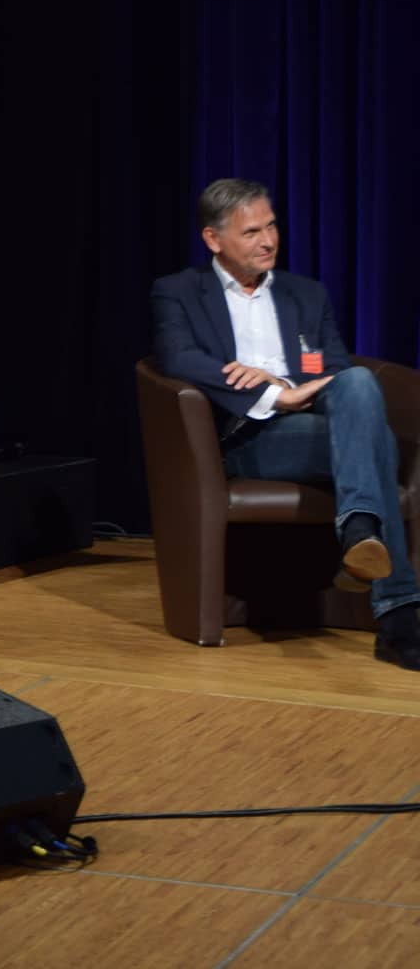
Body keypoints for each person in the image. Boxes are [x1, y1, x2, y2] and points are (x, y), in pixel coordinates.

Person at [151, 177, 420, 669]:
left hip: (312, 425)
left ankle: (361, 529)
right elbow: (178, 358)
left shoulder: (305, 294)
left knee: (358, 383)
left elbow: (332, 368)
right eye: (252, 231)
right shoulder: (179, 292)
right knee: (375, 440)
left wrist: (291, 384)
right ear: (214, 239)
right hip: (244, 437)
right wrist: (271, 391)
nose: (269, 240)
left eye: (271, 226)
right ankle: (398, 611)